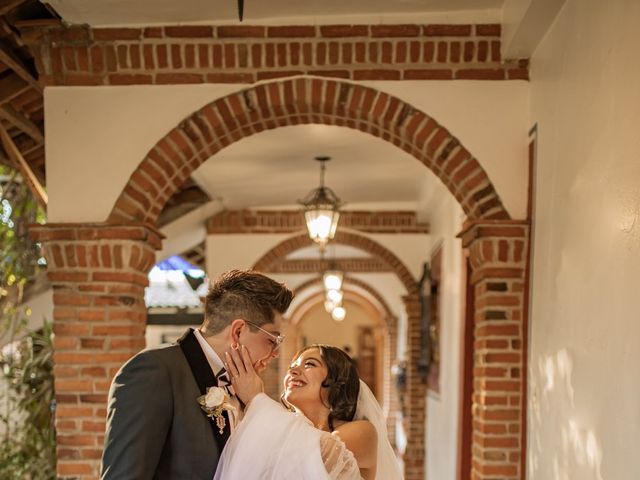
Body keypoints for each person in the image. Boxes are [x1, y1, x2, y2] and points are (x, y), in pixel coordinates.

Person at [100, 269, 294, 480]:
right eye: (272, 340)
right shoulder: (155, 371)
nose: (275, 353)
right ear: (238, 332)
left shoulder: (243, 388)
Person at [216, 344, 404, 479]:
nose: (294, 370)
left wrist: (256, 399)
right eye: (292, 366)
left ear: (336, 380)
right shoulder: (288, 430)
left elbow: (312, 458)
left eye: (309, 364)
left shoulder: (363, 431)